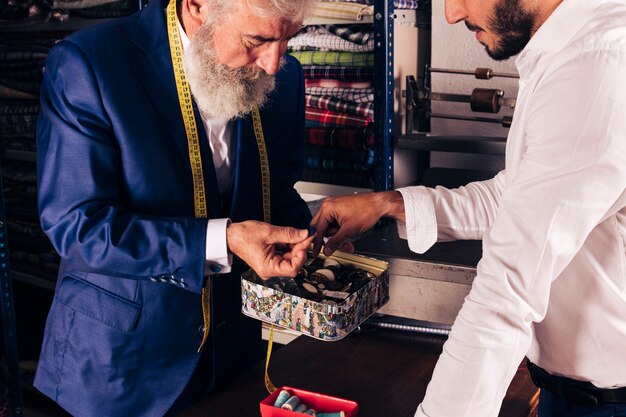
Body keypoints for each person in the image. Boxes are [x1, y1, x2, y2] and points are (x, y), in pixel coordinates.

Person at [311, 0, 626, 415]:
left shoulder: (595, 65)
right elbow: (517, 197)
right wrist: (390, 204)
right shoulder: (572, 50)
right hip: (573, 395)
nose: (451, 14)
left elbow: (508, 284)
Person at [34, 0, 315, 415]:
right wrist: (226, 238)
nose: (274, 64)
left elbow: (275, 189)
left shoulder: (285, 80)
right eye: (258, 40)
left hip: (233, 359)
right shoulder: (89, 65)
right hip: (122, 368)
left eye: (288, 40)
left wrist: (315, 226)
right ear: (198, 6)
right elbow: (77, 227)